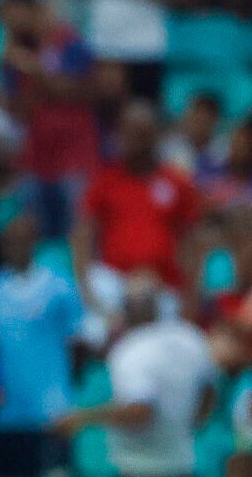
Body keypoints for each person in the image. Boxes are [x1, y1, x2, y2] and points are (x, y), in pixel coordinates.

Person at [57, 269, 216, 477]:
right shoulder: (191, 338)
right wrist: (189, 424)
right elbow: (209, 391)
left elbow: (141, 412)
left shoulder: (131, 351)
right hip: (183, 467)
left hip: (141, 474)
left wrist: (82, 418)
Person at [0, 211, 85, 477]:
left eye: (21, 240)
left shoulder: (58, 286)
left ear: (34, 243)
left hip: (50, 412)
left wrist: (63, 389)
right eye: (8, 241)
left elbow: (77, 341)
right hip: (7, 412)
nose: (15, 247)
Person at [73, 101, 201, 318]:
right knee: (94, 318)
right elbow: (82, 235)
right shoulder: (105, 182)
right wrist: (86, 290)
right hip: (115, 284)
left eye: (143, 134)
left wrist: (191, 294)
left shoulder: (176, 183)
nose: (137, 142)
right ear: (120, 135)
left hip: (163, 285)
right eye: (130, 134)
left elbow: (191, 241)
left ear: (155, 136)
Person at [0, 0, 98, 241]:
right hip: (37, 155)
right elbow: (18, 109)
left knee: (76, 226)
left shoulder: (71, 43)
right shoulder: (17, 54)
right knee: (35, 229)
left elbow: (77, 91)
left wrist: (35, 69)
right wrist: (10, 66)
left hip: (73, 153)